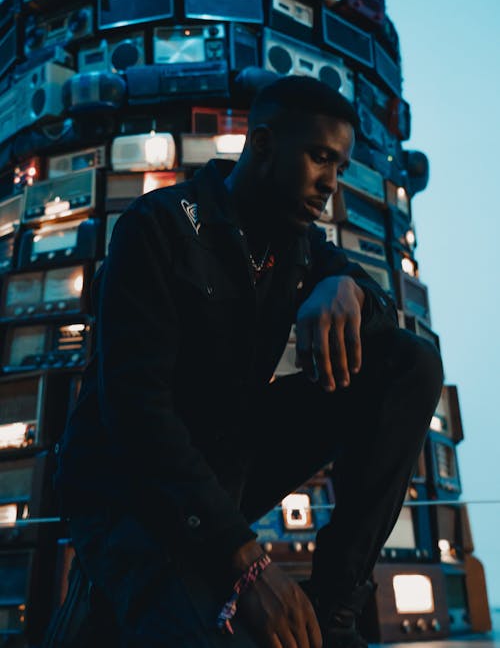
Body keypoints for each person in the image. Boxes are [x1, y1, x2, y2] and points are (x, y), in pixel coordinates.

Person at [56, 75, 443, 648]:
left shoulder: (302, 246)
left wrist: (346, 286)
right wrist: (248, 564)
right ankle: (108, 592)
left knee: (411, 363)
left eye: (339, 169)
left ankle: (334, 606)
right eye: (320, 159)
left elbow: (385, 322)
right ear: (262, 144)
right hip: (129, 488)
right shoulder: (159, 225)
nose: (330, 185)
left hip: (224, 459)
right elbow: (138, 416)